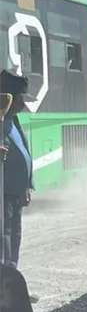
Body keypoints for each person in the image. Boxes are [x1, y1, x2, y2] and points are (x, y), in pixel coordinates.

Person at [0, 70, 34, 272]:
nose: (24, 103)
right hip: (3, 191)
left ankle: (12, 281)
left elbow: (25, 151)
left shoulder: (14, 120)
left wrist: (28, 186)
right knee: (3, 237)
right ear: (8, 97)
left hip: (17, 191)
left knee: (14, 236)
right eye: (21, 98)